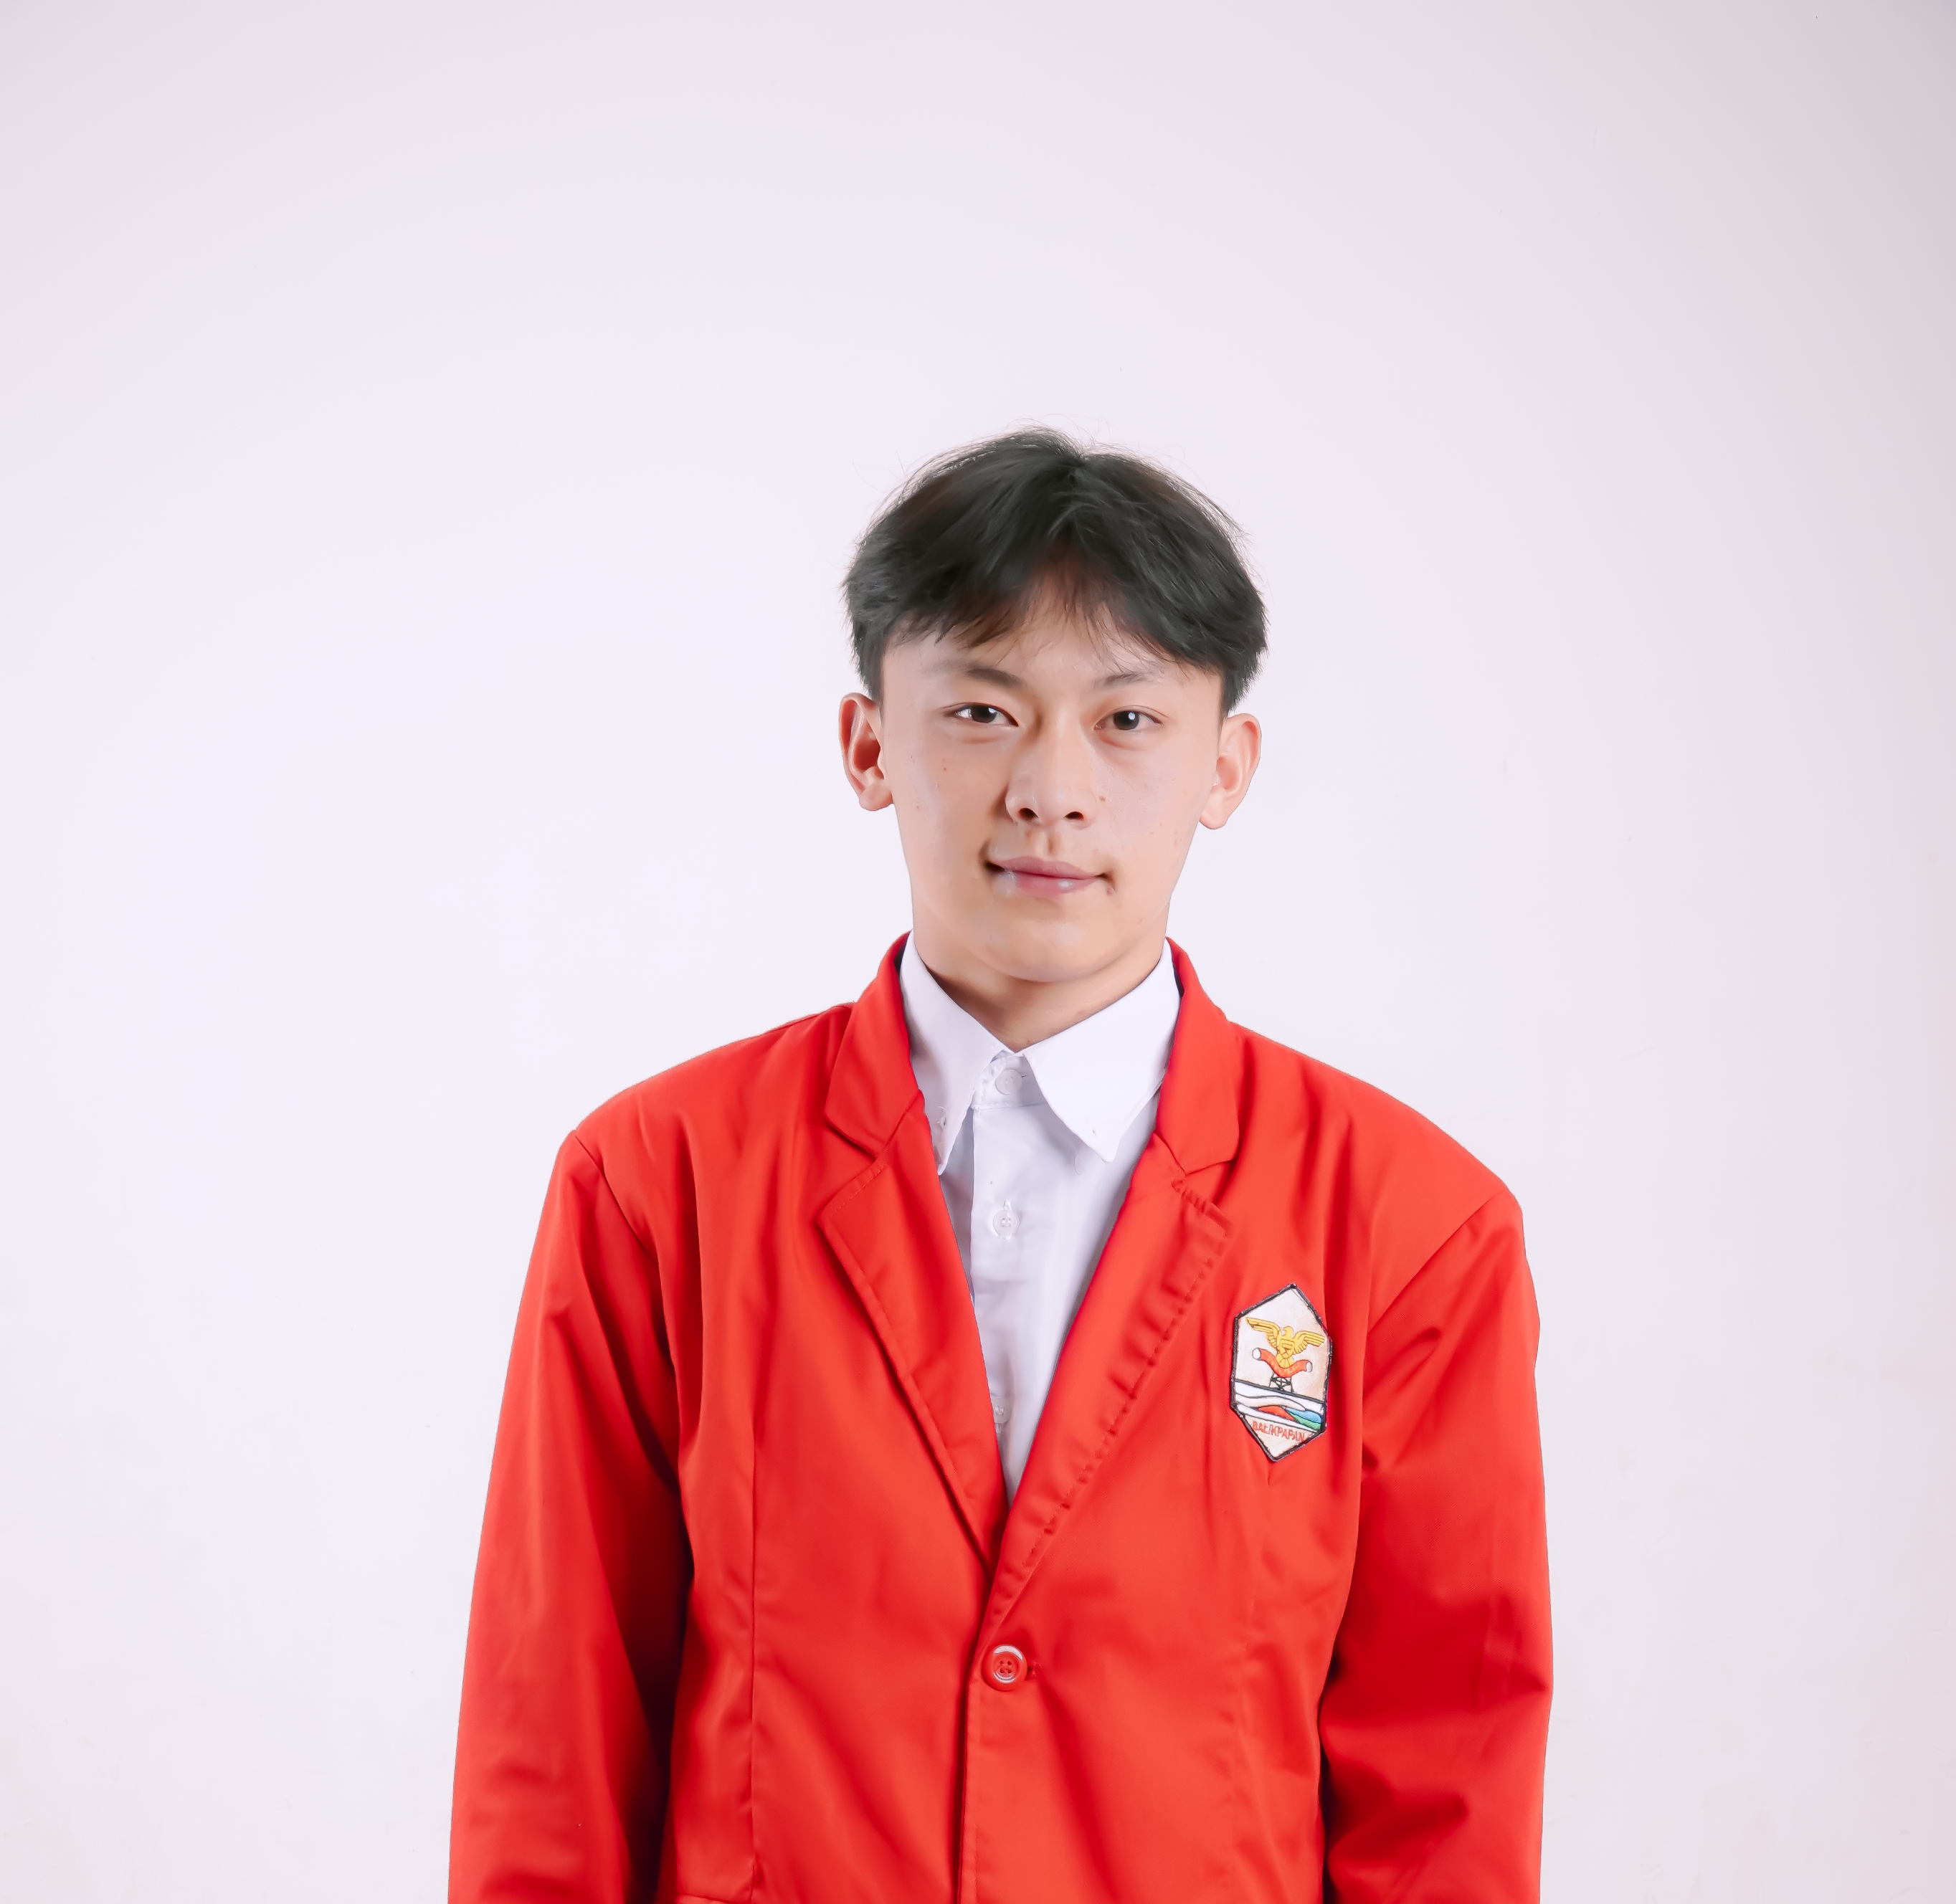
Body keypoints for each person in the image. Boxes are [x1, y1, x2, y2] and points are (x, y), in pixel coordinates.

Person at [449, 432, 1552, 1903]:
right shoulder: (658, 1185)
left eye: (1126, 719)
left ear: (1225, 765)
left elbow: (1447, 1782)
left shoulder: (1411, 1227)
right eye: (980, 710)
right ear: (868, 746)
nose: (1051, 788)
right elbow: (553, 1740)